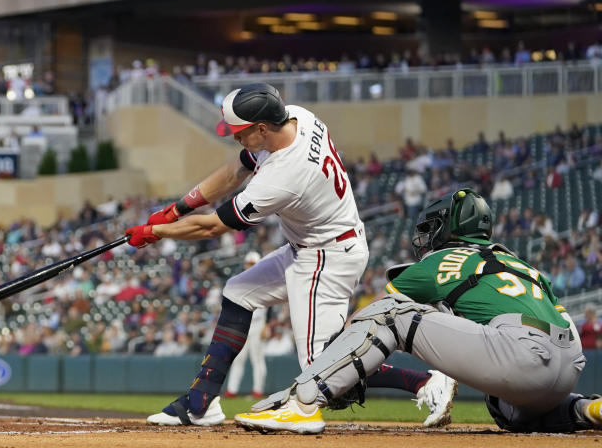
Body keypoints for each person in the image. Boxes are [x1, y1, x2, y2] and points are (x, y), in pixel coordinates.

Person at [128, 83, 455, 427]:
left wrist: (156, 232)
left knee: (321, 365)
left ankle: (424, 382)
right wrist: (176, 209)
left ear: (261, 128)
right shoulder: (298, 116)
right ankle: (201, 402)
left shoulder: (283, 177)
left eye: (240, 133)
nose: (235, 139)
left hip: (326, 255)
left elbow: (212, 228)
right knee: (238, 293)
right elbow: (234, 171)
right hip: (311, 245)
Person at [235, 188, 602, 435]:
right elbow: (564, 321)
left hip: (519, 352)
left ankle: (303, 401)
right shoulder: (519, 263)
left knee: (389, 315)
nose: (426, 235)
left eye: (432, 227)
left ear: (449, 228)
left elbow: (373, 315)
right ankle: (584, 410)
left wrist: (332, 365)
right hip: (568, 361)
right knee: (505, 407)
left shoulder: (443, 259)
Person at [224, 251, 267, 399]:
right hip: (242, 324)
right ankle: (231, 390)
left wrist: (267, 325)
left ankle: (258, 391)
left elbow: (272, 306)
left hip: (258, 324)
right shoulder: (240, 280)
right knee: (238, 359)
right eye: (248, 263)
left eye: (252, 263)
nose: (250, 266)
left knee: (257, 359)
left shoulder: (265, 280)